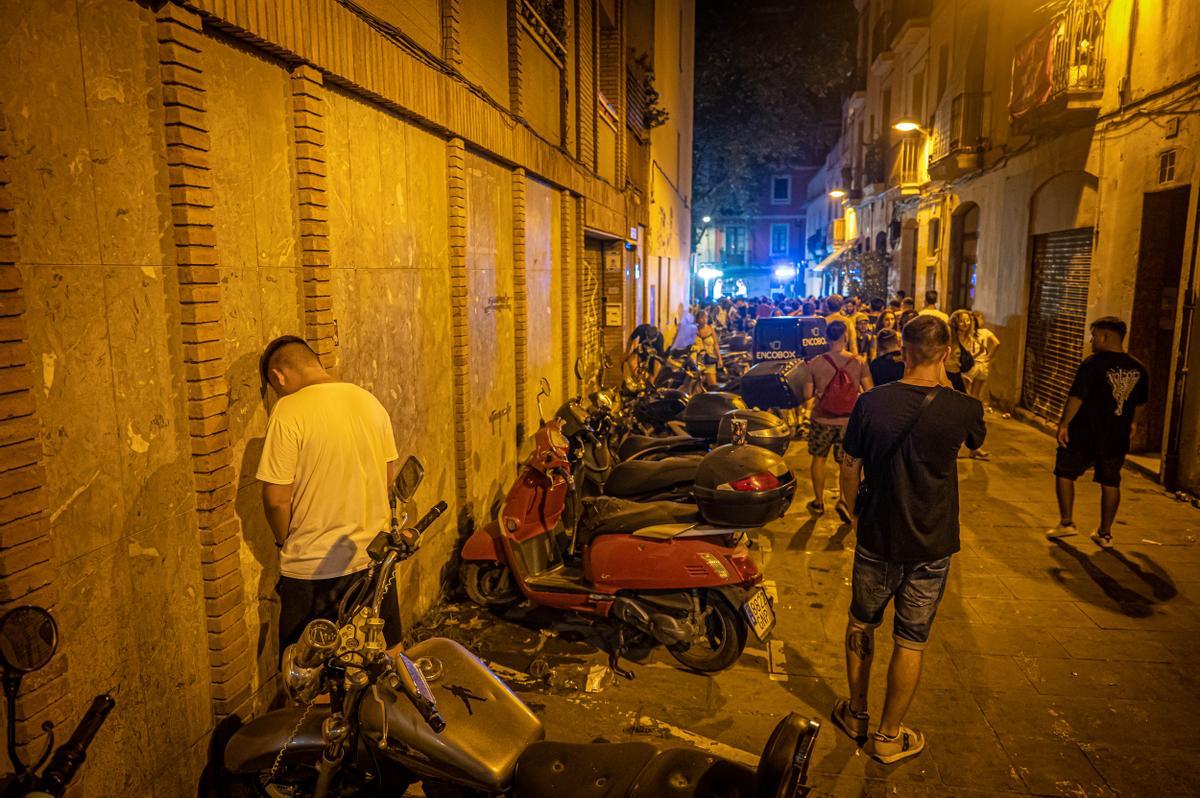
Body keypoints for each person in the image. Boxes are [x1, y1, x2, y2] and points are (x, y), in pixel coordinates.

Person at [833, 315, 986, 764]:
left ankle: (856, 713)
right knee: (910, 639)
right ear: (945, 352)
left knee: (862, 623)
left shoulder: (871, 403)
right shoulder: (964, 408)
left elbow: (849, 466)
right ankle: (888, 735)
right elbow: (976, 442)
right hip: (933, 540)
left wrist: (854, 514)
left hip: (878, 534)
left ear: (903, 349)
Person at [257, 336, 403, 655]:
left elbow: (275, 500)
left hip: (314, 567)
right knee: (387, 657)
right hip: (373, 561)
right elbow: (387, 477)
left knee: (312, 679)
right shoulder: (369, 402)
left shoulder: (288, 411)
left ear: (278, 376)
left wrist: (283, 540)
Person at [1047, 317, 1149, 547]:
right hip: (1117, 435)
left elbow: (1077, 396)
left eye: (1094, 335)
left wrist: (1064, 424)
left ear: (1105, 337)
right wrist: (1132, 423)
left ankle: (1066, 523)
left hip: (1085, 432)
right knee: (1111, 481)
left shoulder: (1092, 364)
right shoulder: (1139, 368)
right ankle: (1105, 533)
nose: (1091, 340)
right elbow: (1141, 402)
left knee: (1064, 472)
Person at [803, 321, 872, 516]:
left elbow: (807, 393)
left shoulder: (815, 363)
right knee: (846, 462)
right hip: (849, 422)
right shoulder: (858, 361)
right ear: (845, 337)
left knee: (819, 459)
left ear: (826, 337)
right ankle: (844, 499)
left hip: (822, 420)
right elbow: (869, 390)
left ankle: (818, 502)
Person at [946, 310, 990, 460]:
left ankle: (973, 447)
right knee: (956, 415)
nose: (965, 323)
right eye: (961, 321)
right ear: (955, 323)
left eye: (968, 320)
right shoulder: (950, 338)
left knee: (970, 413)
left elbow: (971, 357)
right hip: (951, 378)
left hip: (963, 376)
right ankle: (955, 447)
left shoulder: (970, 338)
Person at [968, 311, 1000, 408]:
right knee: (976, 393)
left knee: (966, 391)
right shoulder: (986, 332)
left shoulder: (969, 333)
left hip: (971, 364)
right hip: (982, 364)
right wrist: (989, 356)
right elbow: (996, 343)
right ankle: (974, 414)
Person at [694, 310, 723, 388]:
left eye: (705, 317)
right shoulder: (694, 330)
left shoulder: (711, 330)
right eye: (701, 317)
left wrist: (719, 358)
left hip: (709, 360)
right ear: (697, 319)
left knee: (712, 385)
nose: (704, 319)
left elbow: (716, 345)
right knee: (697, 386)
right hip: (698, 361)